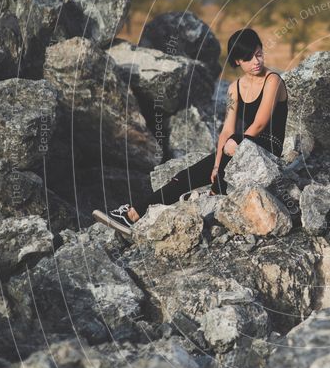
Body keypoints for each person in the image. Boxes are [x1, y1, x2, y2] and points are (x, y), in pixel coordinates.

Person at [93, 27, 289, 236]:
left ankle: (216, 194)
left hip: (268, 147)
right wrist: (217, 164)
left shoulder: (273, 80)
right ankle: (132, 215)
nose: (256, 61)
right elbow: (227, 130)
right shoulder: (235, 88)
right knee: (185, 176)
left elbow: (259, 124)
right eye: (248, 57)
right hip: (243, 146)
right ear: (238, 61)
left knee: (234, 142)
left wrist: (235, 148)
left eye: (258, 53)